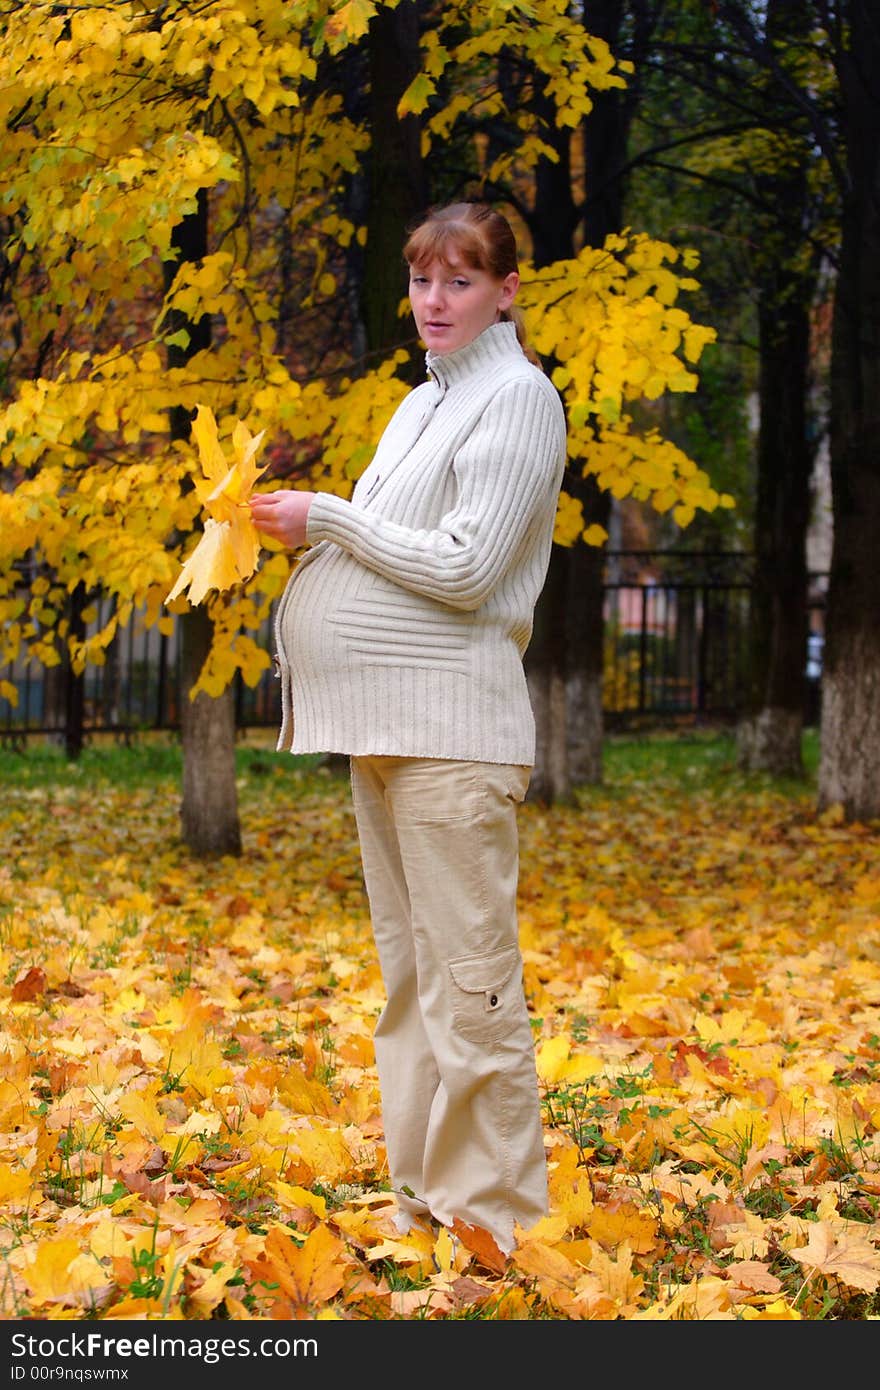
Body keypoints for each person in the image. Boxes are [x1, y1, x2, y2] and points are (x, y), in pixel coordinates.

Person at [249, 201, 567, 1255]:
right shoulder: (416, 407)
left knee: (469, 980)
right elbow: (392, 553)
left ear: (506, 291)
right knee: (411, 982)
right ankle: (428, 1195)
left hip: (454, 736)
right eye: (424, 278)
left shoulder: (517, 400)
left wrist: (328, 518)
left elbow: (471, 570)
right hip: (384, 728)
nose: (435, 301)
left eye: (461, 280)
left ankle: (496, 1220)